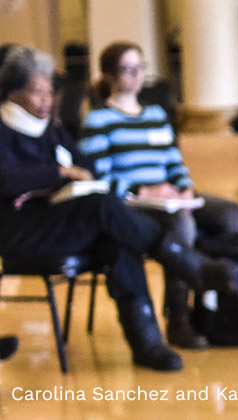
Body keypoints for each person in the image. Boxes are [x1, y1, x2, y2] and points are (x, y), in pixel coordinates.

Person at [0, 46, 216, 371]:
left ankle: (148, 344)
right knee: (102, 207)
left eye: (49, 92)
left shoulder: (51, 128)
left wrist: (76, 173)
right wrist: (58, 172)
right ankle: (186, 262)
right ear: (13, 92)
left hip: (62, 222)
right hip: (23, 233)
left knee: (117, 240)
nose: (46, 100)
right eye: (37, 92)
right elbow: (6, 179)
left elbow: (87, 166)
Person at [78, 42, 238, 348]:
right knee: (181, 224)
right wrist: (144, 189)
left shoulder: (155, 114)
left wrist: (184, 187)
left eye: (140, 67)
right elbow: (98, 176)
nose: (137, 75)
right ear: (111, 76)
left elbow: (173, 162)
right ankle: (178, 317)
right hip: (131, 203)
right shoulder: (99, 119)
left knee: (228, 213)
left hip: (169, 195)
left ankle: (215, 304)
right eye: (129, 69)